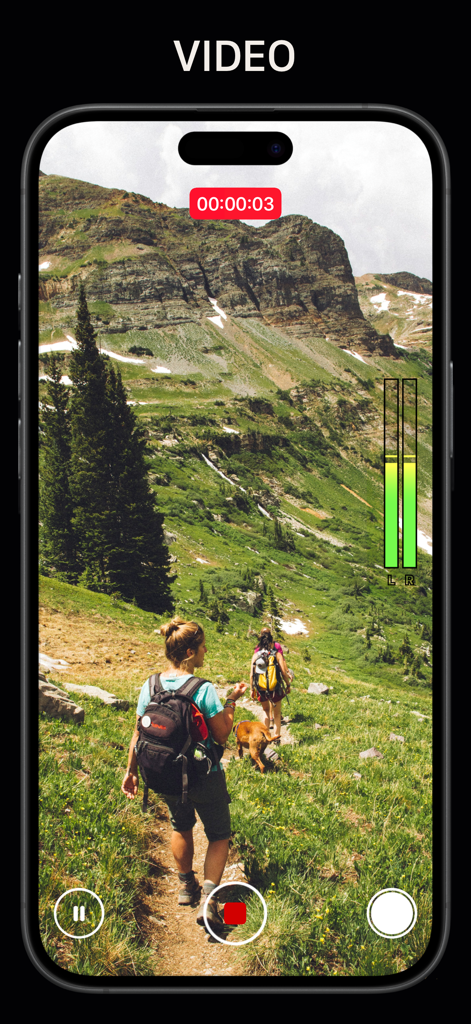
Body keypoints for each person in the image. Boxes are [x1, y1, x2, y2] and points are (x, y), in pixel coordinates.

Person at [121, 617, 246, 933]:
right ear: (190, 652)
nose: (206, 651)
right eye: (203, 646)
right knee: (218, 834)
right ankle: (209, 899)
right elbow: (221, 735)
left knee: (180, 824)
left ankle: (185, 885)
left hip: (164, 773)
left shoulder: (150, 685)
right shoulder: (202, 689)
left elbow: (138, 732)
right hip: (204, 774)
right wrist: (231, 701)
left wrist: (130, 771)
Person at [250, 627, 291, 741]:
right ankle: (276, 739)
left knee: (266, 711)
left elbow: (252, 674)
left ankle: (265, 738)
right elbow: (283, 672)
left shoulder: (256, 654)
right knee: (277, 714)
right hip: (275, 687)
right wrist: (287, 685)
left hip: (261, 688)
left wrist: (252, 689)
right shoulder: (276, 654)